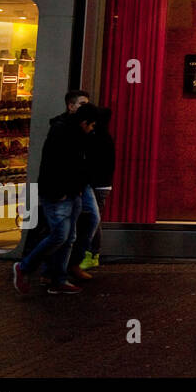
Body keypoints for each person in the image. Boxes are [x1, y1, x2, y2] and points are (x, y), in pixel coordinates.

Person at [12, 103, 101, 296]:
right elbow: (57, 165)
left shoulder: (73, 133)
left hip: (69, 191)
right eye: (91, 125)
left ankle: (57, 278)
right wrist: (59, 191)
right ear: (84, 122)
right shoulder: (63, 133)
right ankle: (25, 267)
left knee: (68, 237)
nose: (92, 129)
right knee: (61, 235)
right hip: (59, 192)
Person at [73, 106, 115, 273]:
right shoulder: (104, 137)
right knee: (93, 220)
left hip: (97, 184)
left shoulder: (97, 138)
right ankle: (89, 254)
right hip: (101, 183)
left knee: (93, 220)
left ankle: (91, 254)